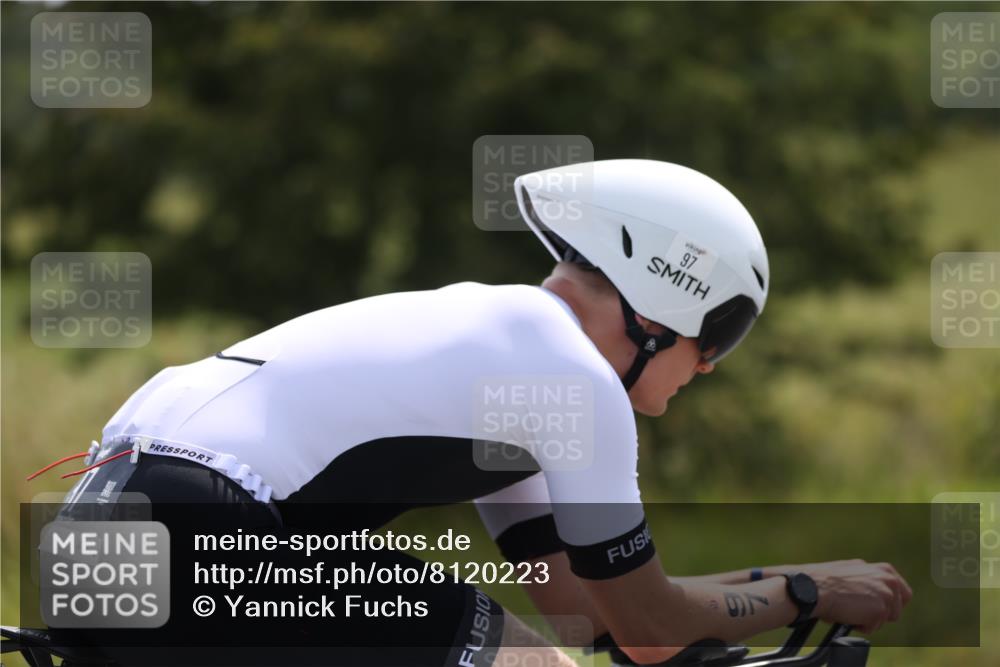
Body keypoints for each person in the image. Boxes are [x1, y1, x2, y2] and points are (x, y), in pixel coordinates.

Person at [49, 159, 911, 666]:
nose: (713, 364)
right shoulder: (569, 375)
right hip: (208, 521)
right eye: (718, 332)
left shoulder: (518, 363)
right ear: (662, 302)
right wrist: (811, 591)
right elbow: (647, 627)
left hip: (93, 531)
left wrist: (779, 586)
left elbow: (594, 609)